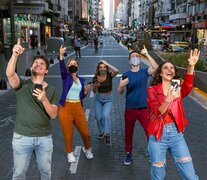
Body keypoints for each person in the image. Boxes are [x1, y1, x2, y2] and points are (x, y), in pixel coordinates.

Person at [6, 38, 58, 180]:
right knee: (18, 174)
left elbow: (53, 114)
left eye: (42, 64)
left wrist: (44, 99)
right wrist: (15, 55)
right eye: (36, 62)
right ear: (31, 66)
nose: (38, 64)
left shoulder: (52, 90)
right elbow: (10, 75)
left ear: (46, 70)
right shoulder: (22, 84)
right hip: (22, 137)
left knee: (46, 172)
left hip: (44, 138)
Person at [147, 49, 200, 180]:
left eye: (172, 68)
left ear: (174, 72)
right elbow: (157, 111)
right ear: (160, 73)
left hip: (176, 134)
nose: (169, 69)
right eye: (165, 68)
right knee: (158, 175)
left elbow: (188, 85)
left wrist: (192, 65)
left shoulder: (177, 88)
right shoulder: (152, 90)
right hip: (158, 135)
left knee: (190, 175)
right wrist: (168, 100)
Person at [117, 46, 158, 165]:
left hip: (144, 109)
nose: (135, 58)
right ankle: (128, 153)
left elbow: (155, 67)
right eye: (133, 57)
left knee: (149, 132)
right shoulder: (126, 74)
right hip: (130, 109)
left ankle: (151, 152)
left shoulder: (144, 72)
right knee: (128, 132)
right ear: (130, 61)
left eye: (137, 56)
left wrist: (147, 54)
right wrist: (121, 85)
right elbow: (120, 92)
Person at [58, 45, 93, 163]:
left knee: (86, 133)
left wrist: (86, 91)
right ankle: (69, 153)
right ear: (68, 67)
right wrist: (61, 56)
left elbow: (81, 96)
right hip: (66, 108)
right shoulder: (65, 77)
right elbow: (62, 68)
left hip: (78, 107)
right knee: (68, 134)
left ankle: (87, 149)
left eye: (75, 64)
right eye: (70, 64)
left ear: (77, 66)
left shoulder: (81, 80)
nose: (73, 65)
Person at [93, 60, 119, 146]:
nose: (102, 68)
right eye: (101, 67)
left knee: (105, 115)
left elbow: (117, 71)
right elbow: (94, 91)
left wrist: (107, 63)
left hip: (108, 99)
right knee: (98, 117)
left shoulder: (109, 75)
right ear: (98, 68)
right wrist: (95, 86)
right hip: (98, 98)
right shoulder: (95, 77)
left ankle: (107, 134)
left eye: (104, 67)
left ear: (106, 68)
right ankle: (101, 132)